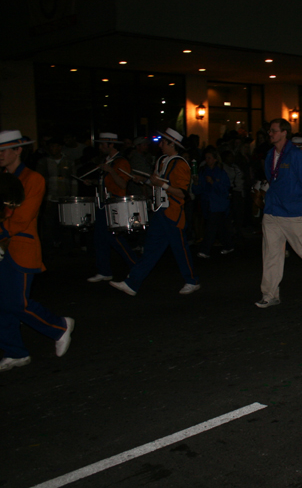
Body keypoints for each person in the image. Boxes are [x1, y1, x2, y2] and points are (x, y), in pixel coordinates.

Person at [0, 130, 74, 372]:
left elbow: (21, 218)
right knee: (3, 304)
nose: (0, 155)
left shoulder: (33, 179)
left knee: (16, 303)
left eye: (3, 150)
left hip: (20, 248)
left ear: (18, 150)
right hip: (4, 247)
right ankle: (15, 351)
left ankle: (59, 326)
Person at [110, 128, 200, 296]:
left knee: (180, 249)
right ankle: (132, 283)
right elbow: (156, 182)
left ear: (173, 144)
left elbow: (183, 193)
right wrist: (143, 180)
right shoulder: (162, 160)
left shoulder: (180, 164)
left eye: (164, 142)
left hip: (173, 213)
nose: (160, 145)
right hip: (160, 211)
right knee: (151, 249)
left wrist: (160, 184)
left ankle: (192, 280)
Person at [255, 118, 302, 308]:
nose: (270, 134)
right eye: (269, 131)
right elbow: (271, 179)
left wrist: (296, 200)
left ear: (283, 133)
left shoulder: (296, 156)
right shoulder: (270, 154)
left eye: (273, 131)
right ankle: (270, 294)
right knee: (271, 254)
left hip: (293, 213)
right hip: (272, 211)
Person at [86, 132, 140, 282]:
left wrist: (109, 171)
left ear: (111, 145)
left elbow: (123, 184)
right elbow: (108, 182)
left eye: (103, 144)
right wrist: (93, 182)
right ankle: (104, 271)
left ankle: (136, 266)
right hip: (104, 202)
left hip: (114, 203)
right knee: (100, 238)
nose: (100, 147)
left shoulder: (121, 162)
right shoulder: (108, 160)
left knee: (114, 238)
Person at [193, 147, 234, 258]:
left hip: (218, 204)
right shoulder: (203, 172)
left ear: (215, 159)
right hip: (208, 204)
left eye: (209, 158)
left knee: (211, 228)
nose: (207, 160)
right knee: (220, 227)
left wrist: (213, 183)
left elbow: (225, 190)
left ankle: (205, 250)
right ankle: (228, 245)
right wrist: (196, 183)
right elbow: (197, 190)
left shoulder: (220, 173)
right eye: (206, 158)